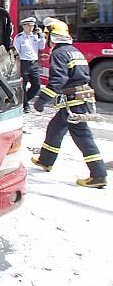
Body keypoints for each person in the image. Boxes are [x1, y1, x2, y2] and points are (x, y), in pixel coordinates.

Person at [31, 18, 107, 188]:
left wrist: (42, 99)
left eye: (47, 35)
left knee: (82, 136)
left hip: (74, 102)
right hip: (78, 99)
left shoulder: (59, 53)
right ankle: (46, 160)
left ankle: (99, 174)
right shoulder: (74, 51)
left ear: (53, 36)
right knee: (55, 128)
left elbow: (58, 79)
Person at [13, 17, 45, 113]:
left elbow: (42, 47)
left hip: (34, 63)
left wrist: (42, 36)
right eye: (29, 26)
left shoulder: (35, 36)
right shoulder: (19, 38)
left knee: (36, 86)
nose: (31, 28)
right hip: (24, 63)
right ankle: (25, 105)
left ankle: (23, 101)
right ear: (24, 26)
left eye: (32, 26)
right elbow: (15, 52)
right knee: (23, 85)